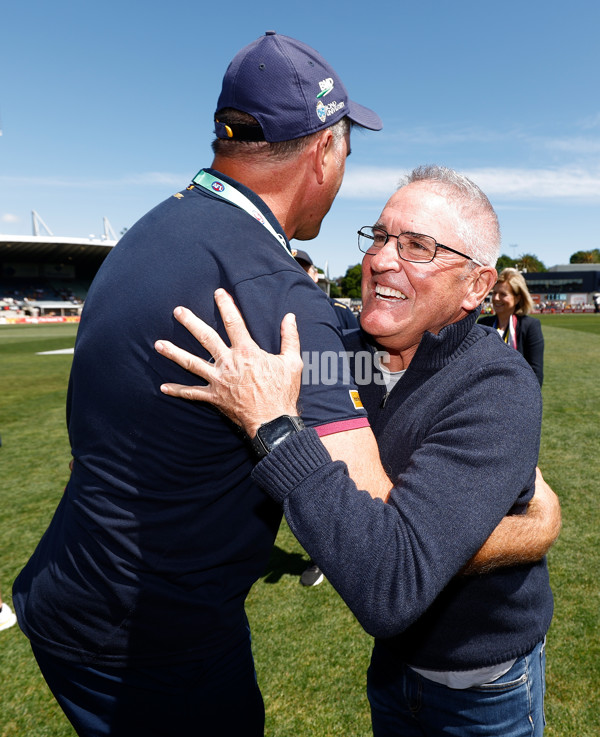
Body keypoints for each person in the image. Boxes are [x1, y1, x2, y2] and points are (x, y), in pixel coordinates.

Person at [12, 31, 386, 737]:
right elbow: (371, 530)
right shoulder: (278, 289)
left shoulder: (145, 236)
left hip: (71, 593)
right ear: (324, 151)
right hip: (156, 643)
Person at [156, 165, 559, 736]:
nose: (382, 259)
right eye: (379, 236)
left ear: (476, 286)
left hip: (484, 687)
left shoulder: (496, 388)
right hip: (394, 667)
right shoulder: (341, 353)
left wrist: (276, 429)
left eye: (418, 246)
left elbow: (392, 581)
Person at [293, 247, 358, 586]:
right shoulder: (278, 312)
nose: (300, 274)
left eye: (304, 267)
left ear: (315, 273)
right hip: (292, 411)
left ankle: (325, 557)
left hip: (337, 412)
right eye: (293, 267)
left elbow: (363, 358)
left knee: (337, 481)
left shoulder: (337, 310)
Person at [479, 267, 545, 385]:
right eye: (494, 293)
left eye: (503, 294)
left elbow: (536, 374)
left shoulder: (530, 326)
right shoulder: (483, 324)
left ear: (517, 298)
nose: (496, 298)